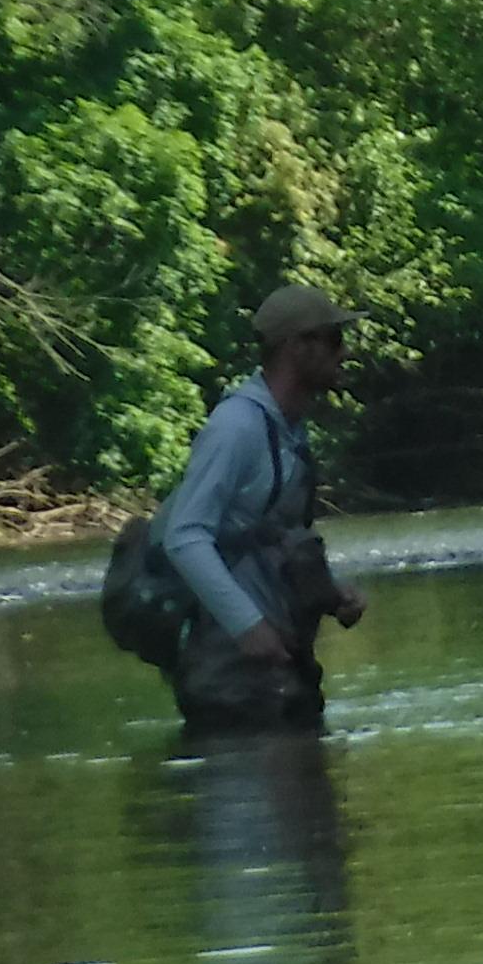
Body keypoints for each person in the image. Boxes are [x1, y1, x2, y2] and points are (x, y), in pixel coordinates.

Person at [156, 284, 370, 730]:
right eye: (332, 340)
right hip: (232, 676)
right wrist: (248, 626)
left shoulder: (289, 429)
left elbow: (275, 538)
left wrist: (333, 595)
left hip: (278, 666)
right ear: (296, 347)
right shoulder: (236, 426)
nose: (343, 353)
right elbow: (185, 535)